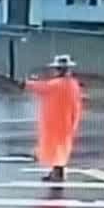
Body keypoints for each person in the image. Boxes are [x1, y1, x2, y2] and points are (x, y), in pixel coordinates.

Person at [24, 54, 84, 182]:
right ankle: (57, 172)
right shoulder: (73, 84)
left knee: (56, 149)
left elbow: (39, 87)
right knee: (61, 148)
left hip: (55, 122)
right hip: (67, 121)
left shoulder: (56, 84)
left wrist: (27, 83)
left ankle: (58, 173)